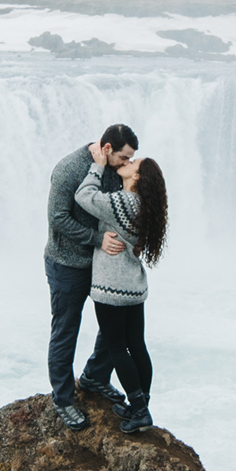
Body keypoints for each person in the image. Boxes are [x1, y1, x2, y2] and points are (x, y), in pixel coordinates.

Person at [72, 151, 168, 434]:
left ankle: (138, 410)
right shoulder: (145, 206)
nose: (127, 163)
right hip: (134, 286)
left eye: (132, 163)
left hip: (111, 287)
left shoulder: (120, 202)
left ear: (137, 178)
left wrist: (97, 167)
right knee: (137, 344)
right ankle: (143, 404)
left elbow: (84, 196)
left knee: (116, 348)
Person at [45, 124, 136, 427]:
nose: (127, 164)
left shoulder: (115, 169)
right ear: (107, 149)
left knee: (115, 327)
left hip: (103, 264)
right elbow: (57, 218)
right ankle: (62, 399)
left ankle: (95, 376)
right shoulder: (69, 169)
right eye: (124, 158)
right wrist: (97, 240)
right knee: (66, 331)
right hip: (67, 264)